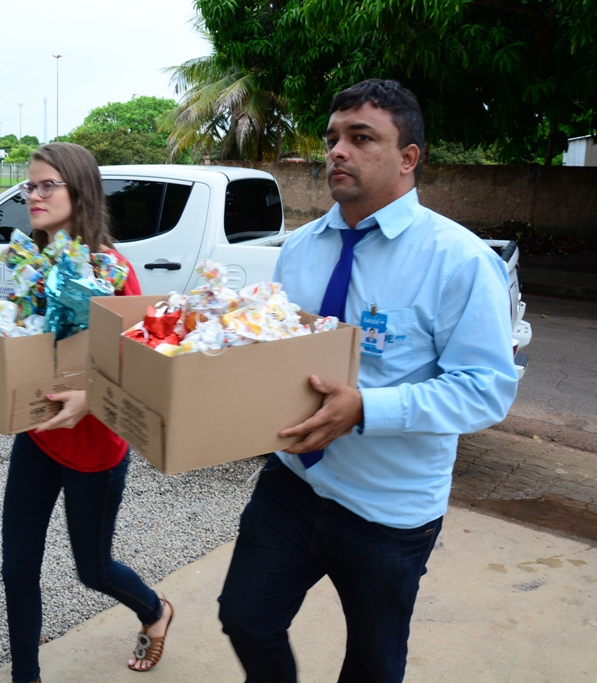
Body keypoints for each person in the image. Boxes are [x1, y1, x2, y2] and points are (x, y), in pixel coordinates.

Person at [218, 79, 518, 682]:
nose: (337, 151)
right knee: (246, 618)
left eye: (361, 138)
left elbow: (487, 388)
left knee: (374, 664)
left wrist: (365, 409)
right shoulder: (299, 249)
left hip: (391, 510)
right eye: (333, 137)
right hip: (294, 484)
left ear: (408, 158)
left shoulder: (457, 260)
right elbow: (279, 352)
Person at [0, 142, 174, 683]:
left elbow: (141, 369)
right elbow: (33, 349)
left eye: (48, 184)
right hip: (37, 436)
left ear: (81, 191)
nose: (34, 195)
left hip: (96, 450)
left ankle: (155, 610)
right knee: (17, 569)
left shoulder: (113, 271)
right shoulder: (31, 265)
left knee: (92, 569)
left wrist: (89, 399)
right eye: (30, 185)